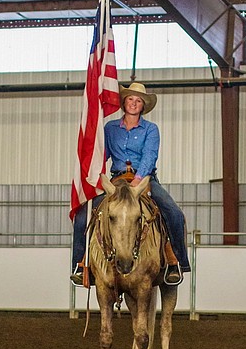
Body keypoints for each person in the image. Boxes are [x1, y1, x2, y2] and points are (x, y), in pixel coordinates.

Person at [71, 81, 190, 287]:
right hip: (116, 181)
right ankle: (81, 264)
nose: (134, 103)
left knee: (173, 212)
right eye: (130, 99)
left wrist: (138, 179)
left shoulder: (151, 129)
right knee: (82, 216)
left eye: (138, 100)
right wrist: (94, 170)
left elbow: (149, 155)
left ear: (143, 105)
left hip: (144, 180)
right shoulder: (109, 128)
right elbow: (102, 154)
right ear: (124, 103)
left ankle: (175, 261)